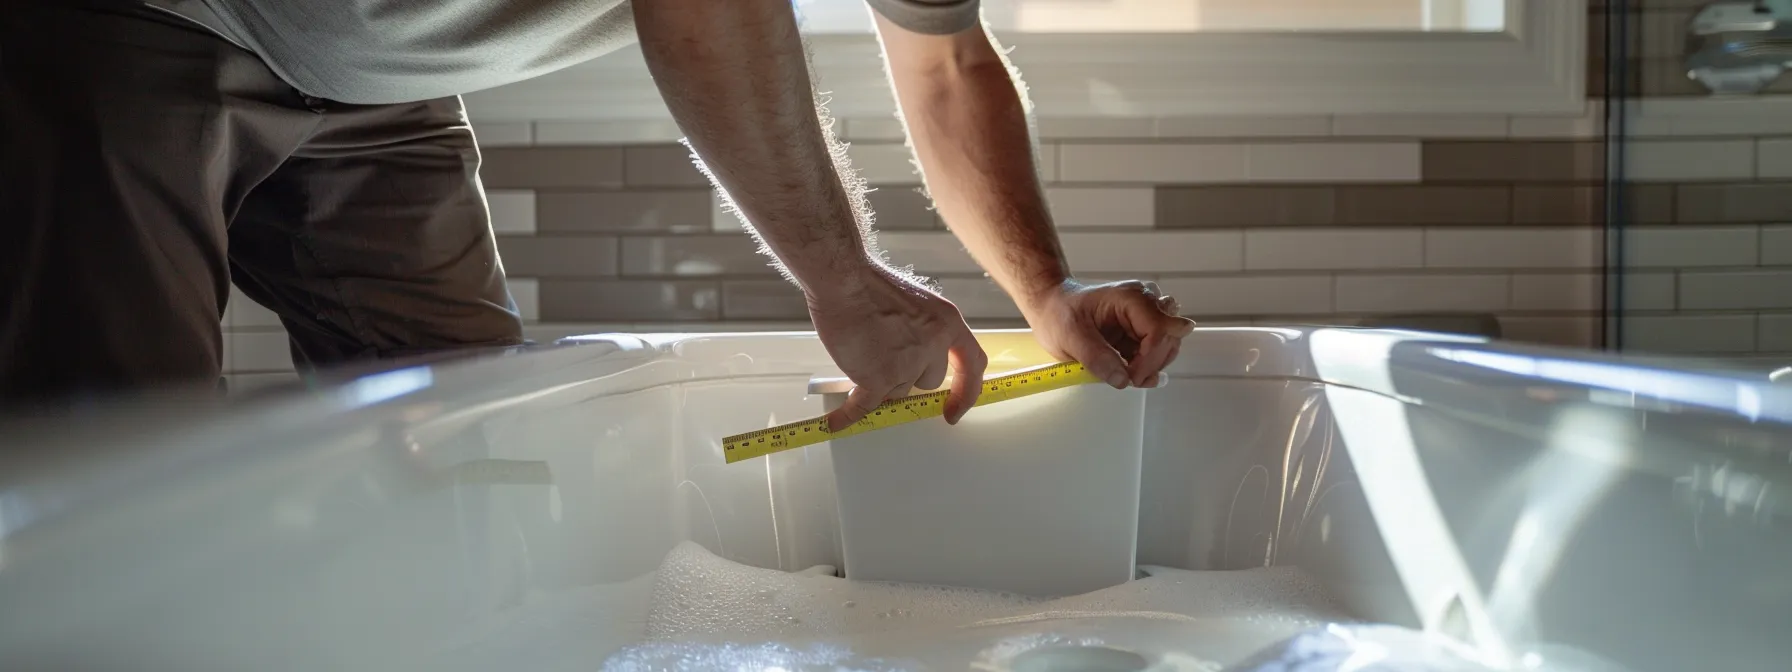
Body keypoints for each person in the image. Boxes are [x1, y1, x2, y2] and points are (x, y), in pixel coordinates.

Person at [0, 0, 1196, 427]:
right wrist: (843, 276)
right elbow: (705, 13)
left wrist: (1042, 292)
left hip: (381, 72)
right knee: (112, 450)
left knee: (467, 440)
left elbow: (942, 64)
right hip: (141, 22)